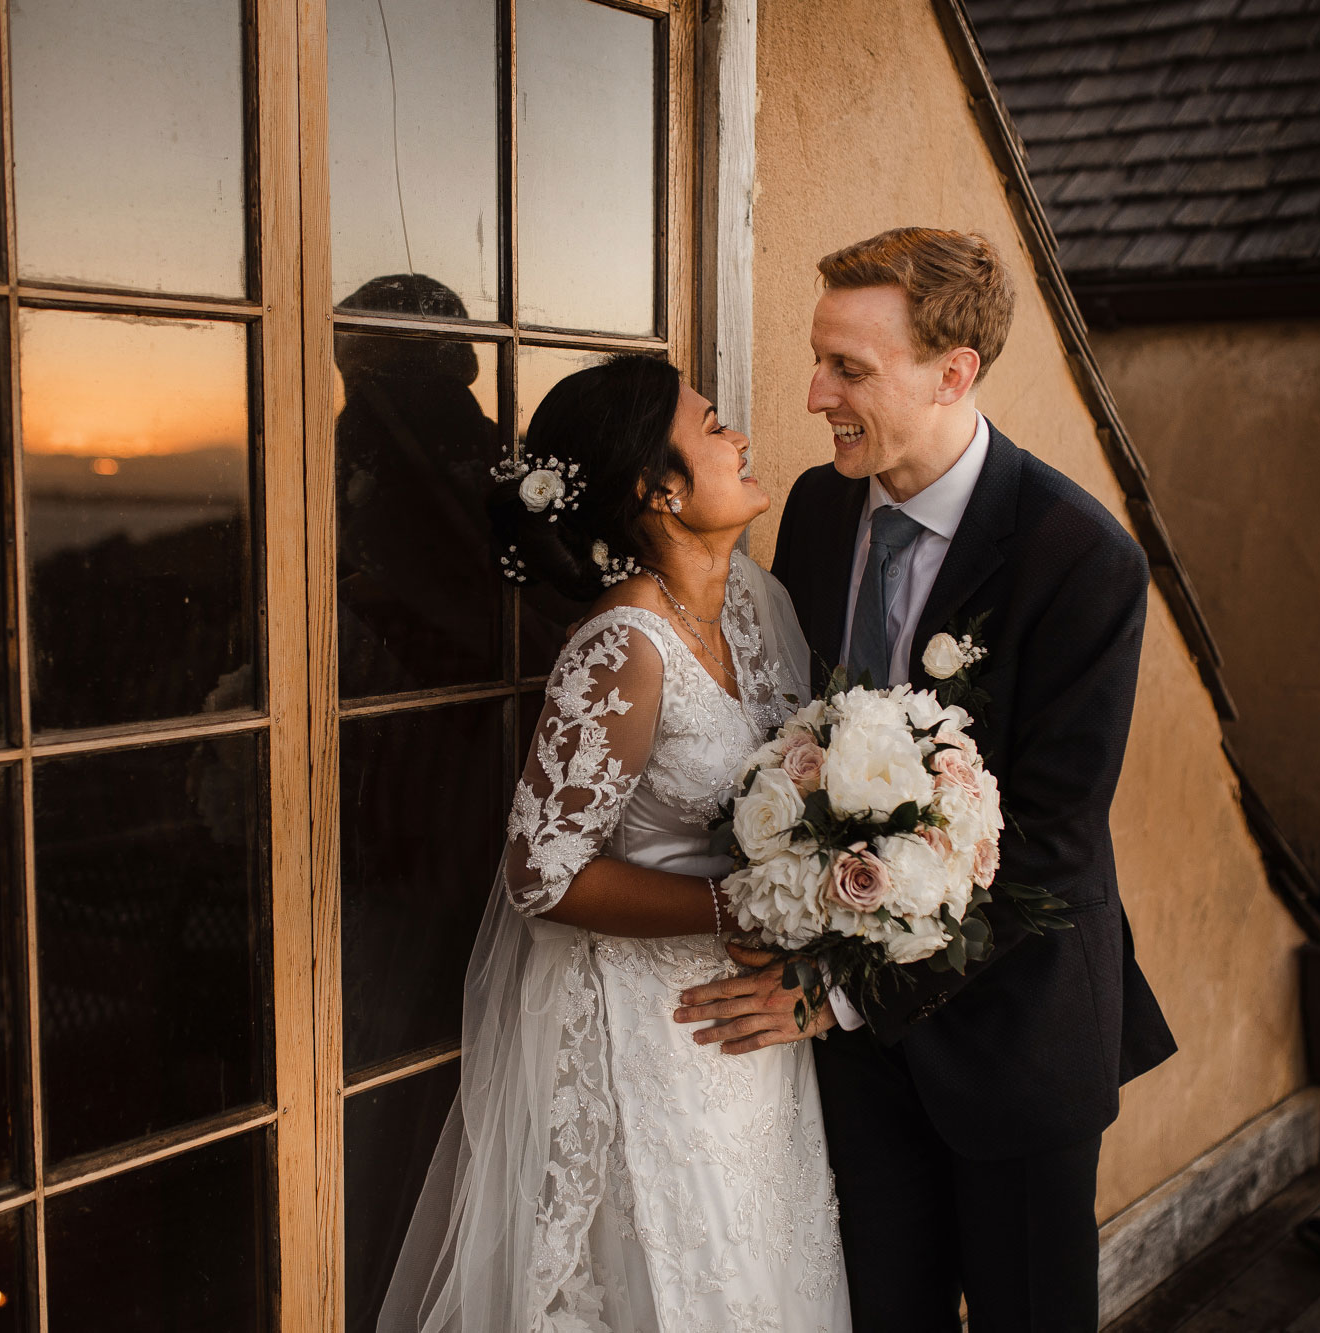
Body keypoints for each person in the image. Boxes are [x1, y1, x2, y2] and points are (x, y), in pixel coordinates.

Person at [674, 227, 1177, 1332]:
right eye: (819, 359)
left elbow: (1047, 841)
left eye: (848, 368)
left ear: (954, 373)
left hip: (1013, 1037)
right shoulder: (812, 510)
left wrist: (841, 993)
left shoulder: (1080, 559)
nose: (813, 393)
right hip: (852, 1064)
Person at [378, 354, 852, 1332]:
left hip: (753, 1027)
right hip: (656, 1032)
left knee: (771, 1264)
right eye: (714, 423)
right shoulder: (621, 648)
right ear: (658, 488)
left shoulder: (759, 607)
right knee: (682, 1282)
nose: (740, 436)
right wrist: (743, 905)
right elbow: (539, 874)